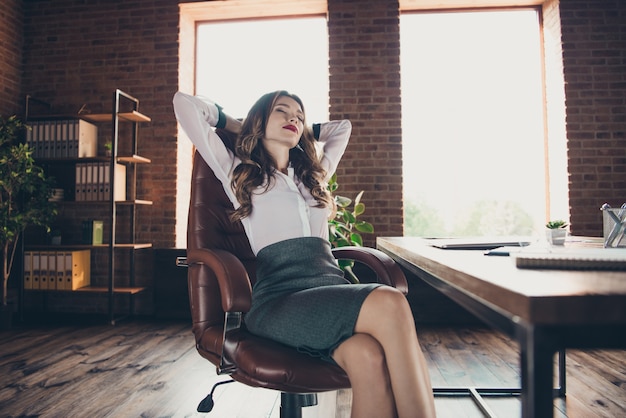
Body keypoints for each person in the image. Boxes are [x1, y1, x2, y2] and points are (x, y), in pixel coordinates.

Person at [173, 90, 436, 418]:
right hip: (280, 300)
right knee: (391, 302)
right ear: (258, 122)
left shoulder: (312, 177)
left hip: (329, 287)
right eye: (281, 111)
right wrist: (239, 124)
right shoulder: (238, 171)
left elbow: (343, 129)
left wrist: (298, 128)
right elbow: (183, 104)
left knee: (366, 355)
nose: (293, 118)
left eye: (298, 114)